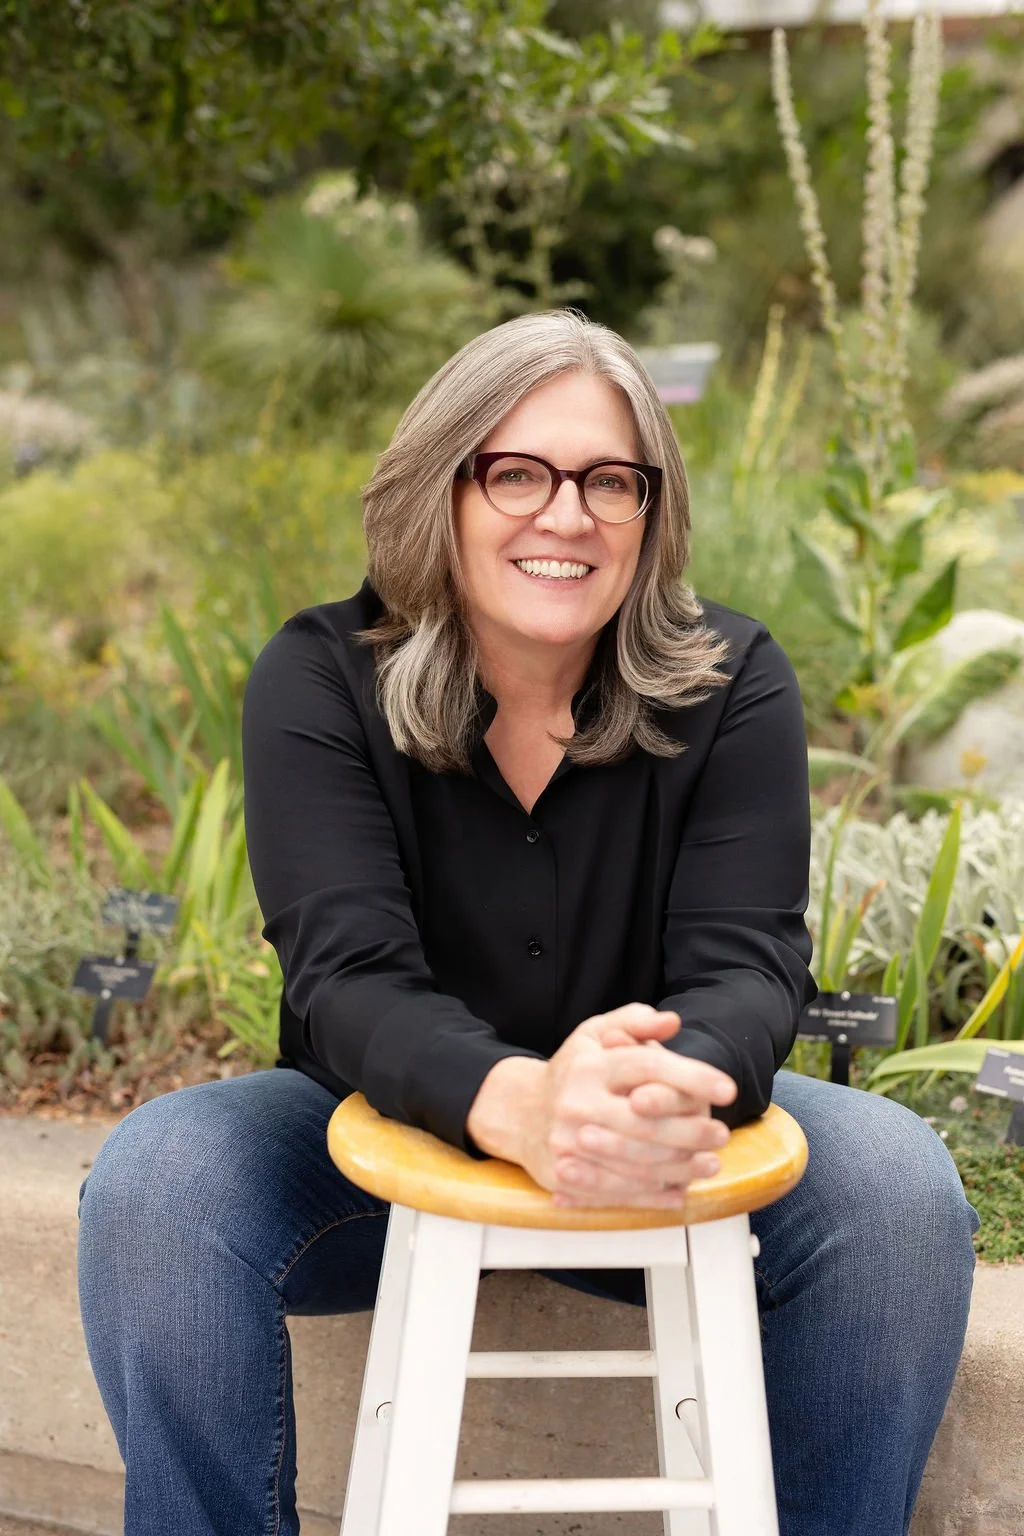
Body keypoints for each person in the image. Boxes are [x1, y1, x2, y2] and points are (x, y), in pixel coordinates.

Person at [77, 309, 979, 1536]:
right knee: (158, 1184)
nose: (566, 515)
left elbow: (749, 964)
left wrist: (648, 1097)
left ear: (649, 513)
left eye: (610, 481)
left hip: (663, 1137)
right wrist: (517, 1104)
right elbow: (344, 977)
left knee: (895, 1187)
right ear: (438, 492)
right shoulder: (320, 676)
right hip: (381, 1143)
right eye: (516, 472)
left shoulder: (732, 678)